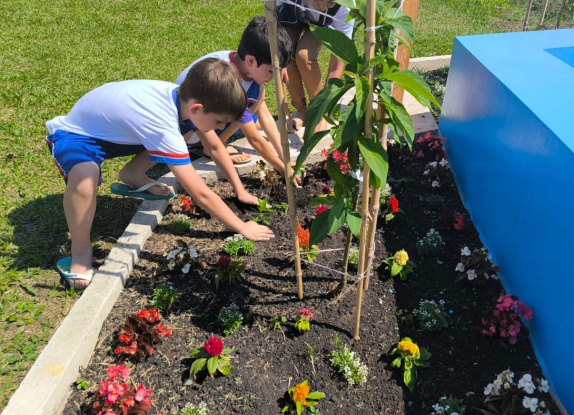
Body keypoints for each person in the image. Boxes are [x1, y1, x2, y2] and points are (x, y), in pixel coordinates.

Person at [46, 58, 274, 290]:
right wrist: (242, 226)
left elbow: (215, 147)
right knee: (86, 178)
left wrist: (240, 189)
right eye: (218, 121)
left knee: (180, 134)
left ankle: (133, 174)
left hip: (114, 133)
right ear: (198, 108)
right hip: (76, 134)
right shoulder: (163, 122)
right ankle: (81, 250)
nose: (218, 127)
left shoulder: (183, 103)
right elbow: (201, 194)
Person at [176, 17, 300, 187]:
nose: (275, 77)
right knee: (253, 111)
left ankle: (218, 140)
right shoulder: (230, 82)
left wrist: (284, 157)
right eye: (271, 71)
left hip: (203, 117)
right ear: (251, 61)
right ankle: (213, 145)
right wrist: (282, 168)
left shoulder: (240, 61)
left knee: (258, 98)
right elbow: (254, 139)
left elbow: (266, 118)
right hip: (189, 130)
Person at [276, 0, 354, 132]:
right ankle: (302, 110)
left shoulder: (344, 8)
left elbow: (336, 65)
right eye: (319, 1)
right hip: (294, 12)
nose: (324, 7)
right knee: (286, 51)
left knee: (304, 56)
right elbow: (272, 15)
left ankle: (317, 111)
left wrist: (323, 109)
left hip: (326, 24)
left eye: (330, 2)